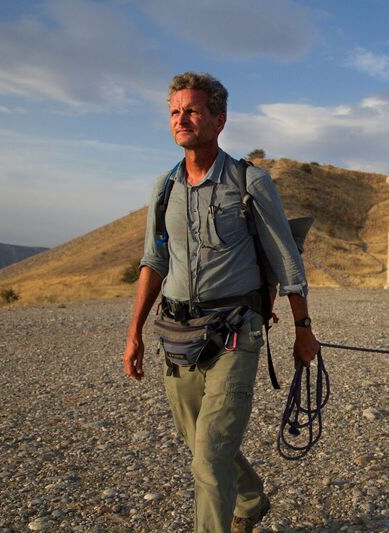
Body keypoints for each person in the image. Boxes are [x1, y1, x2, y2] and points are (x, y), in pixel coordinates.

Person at [122, 71, 319, 533]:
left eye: (191, 110)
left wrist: (303, 329)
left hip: (236, 334)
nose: (181, 119)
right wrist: (132, 333)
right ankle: (250, 500)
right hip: (176, 336)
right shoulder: (163, 188)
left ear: (219, 118)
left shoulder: (251, 182)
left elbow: (286, 261)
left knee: (208, 457)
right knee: (201, 446)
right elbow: (153, 262)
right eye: (174, 112)